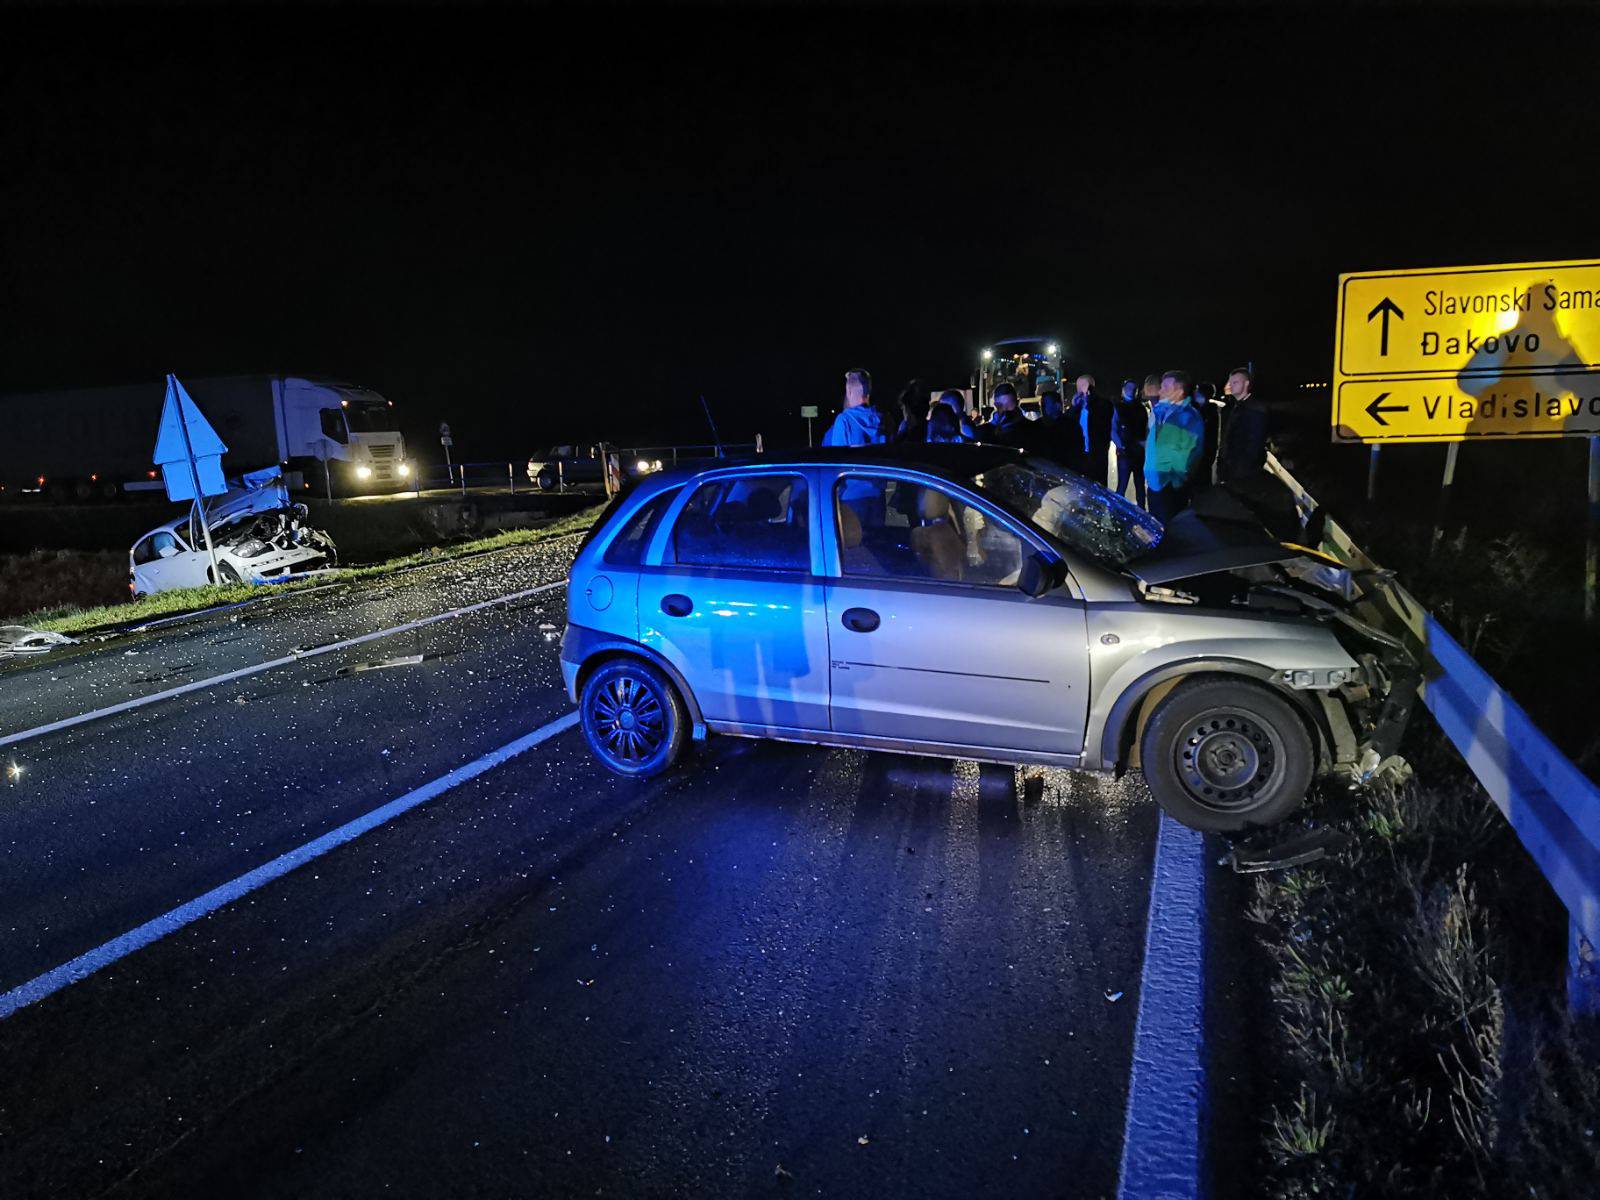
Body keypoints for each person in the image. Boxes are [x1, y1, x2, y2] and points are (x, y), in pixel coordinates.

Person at [1144, 369, 1206, 524]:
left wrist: (1173, 482)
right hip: (1154, 485)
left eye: (1165, 387)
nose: (1160, 390)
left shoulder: (1189, 417)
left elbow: (1190, 456)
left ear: (1179, 391)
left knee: (1171, 532)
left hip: (1170, 489)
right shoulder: (1160, 412)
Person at [1217, 366, 1270, 484]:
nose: (1231, 385)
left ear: (1246, 384)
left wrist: (1240, 470)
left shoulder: (1255, 409)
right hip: (1230, 470)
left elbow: (1254, 444)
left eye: (1235, 382)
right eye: (1230, 382)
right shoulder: (1235, 407)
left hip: (1243, 473)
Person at [1066, 374, 1114, 487]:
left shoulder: (1103, 404)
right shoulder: (1077, 406)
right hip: (1080, 455)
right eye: (1078, 386)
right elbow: (1066, 423)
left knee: (1099, 488)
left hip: (1097, 455)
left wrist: (1090, 403)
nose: (1080, 390)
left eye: (1083, 386)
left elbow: (1104, 423)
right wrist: (1073, 407)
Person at [1111, 378, 1150, 508]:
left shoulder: (1141, 408)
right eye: (1129, 388)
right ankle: (1116, 514)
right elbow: (1113, 429)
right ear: (1123, 390)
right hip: (1126, 452)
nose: (1131, 391)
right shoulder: (1118, 407)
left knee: (1139, 486)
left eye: (1134, 389)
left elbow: (1146, 430)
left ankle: (1140, 512)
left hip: (1138, 452)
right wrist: (1121, 446)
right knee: (1122, 486)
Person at [822, 368, 885, 447]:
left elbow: (838, 457)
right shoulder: (883, 420)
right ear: (868, 392)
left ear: (849, 391)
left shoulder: (844, 420)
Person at [983, 382, 1030, 448]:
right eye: (1002, 406)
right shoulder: (986, 431)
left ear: (1017, 402)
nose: (1006, 411)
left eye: (1009, 406)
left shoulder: (1030, 430)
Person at [1195, 380, 1222, 486]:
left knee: (1202, 481)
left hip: (1204, 453)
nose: (1195, 393)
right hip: (1202, 453)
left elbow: (1209, 435)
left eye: (1197, 391)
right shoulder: (1201, 410)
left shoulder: (1209, 412)